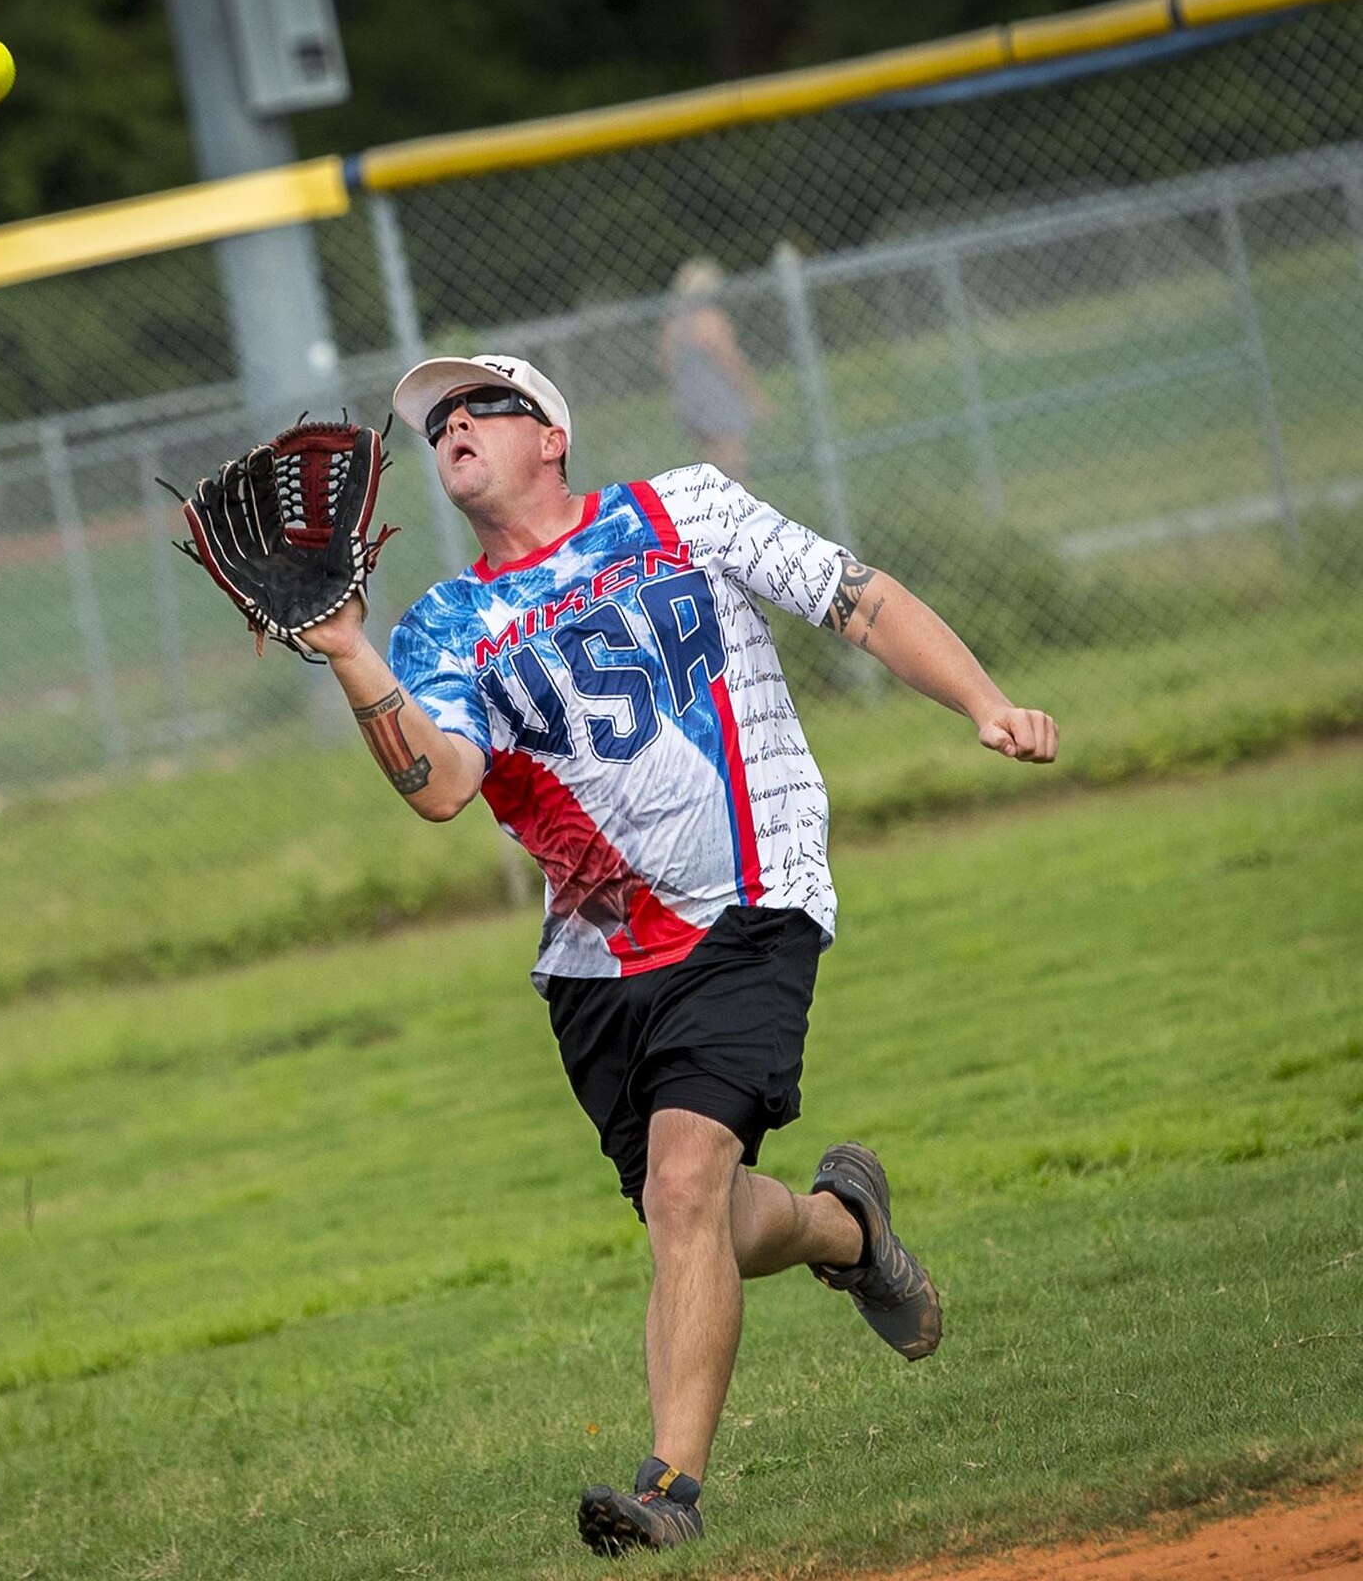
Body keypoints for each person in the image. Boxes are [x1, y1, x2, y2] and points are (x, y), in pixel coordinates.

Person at [295, 353, 1058, 1556]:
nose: (448, 425)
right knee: (688, 1215)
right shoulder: (443, 624)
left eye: (474, 405)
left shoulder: (678, 510)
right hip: (596, 959)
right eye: (432, 420)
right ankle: (843, 1228)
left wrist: (981, 701)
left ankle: (669, 1492)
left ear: (549, 434)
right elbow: (441, 789)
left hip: (751, 898)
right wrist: (348, 651)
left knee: (687, 1185)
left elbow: (850, 595)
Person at [657, 258, 771, 482]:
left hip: (690, 399)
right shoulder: (711, 319)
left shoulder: (673, 323)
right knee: (734, 465)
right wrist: (754, 397)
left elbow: (666, 363)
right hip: (719, 397)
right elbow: (731, 361)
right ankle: (738, 511)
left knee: (707, 468)